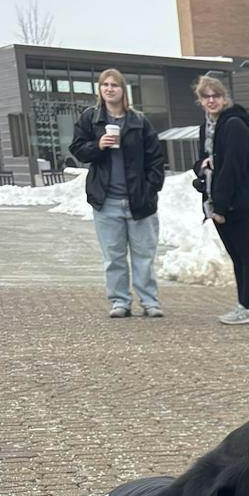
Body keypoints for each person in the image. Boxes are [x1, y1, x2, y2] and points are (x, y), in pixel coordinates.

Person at [69, 70, 166, 319]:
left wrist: (150, 188)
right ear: (100, 90)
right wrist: (98, 145)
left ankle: (149, 301)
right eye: (105, 85)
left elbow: (156, 158)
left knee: (144, 256)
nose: (109, 89)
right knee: (113, 257)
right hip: (106, 201)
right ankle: (120, 301)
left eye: (114, 85)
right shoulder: (90, 119)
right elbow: (78, 149)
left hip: (139, 201)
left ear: (124, 90)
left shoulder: (139, 121)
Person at [192, 74, 249, 325]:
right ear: (200, 100)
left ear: (225, 98)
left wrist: (221, 206)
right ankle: (241, 305)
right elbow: (204, 161)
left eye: (216, 95)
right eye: (206, 96)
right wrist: (200, 166)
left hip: (237, 200)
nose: (211, 100)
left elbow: (232, 167)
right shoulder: (207, 127)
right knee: (235, 255)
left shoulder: (233, 124)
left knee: (245, 254)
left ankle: (247, 308)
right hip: (216, 198)